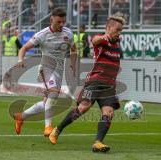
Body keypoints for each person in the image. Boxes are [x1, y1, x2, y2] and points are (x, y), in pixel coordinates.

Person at [49, 14, 125, 152]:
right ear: (108, 28)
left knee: (109, 113)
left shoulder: (117, 43)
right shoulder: (102, 39)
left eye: (121, 31)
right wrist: (105, 37)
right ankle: (57, 130)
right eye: (117, 30)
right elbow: (95, 41)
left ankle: (98, 142)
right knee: (84, 107)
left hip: (109, 84)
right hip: (95, 81)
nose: (119, 33)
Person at [14, 8, 77, 137]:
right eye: (58, 22)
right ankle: (48, 127)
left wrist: (73, 64)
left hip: (58, 70)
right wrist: (20, 60)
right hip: (46, 68)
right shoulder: (42, 35)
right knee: (53, 93)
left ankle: (21, 117)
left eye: (63, 22)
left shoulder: (68, 33)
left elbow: (74, 50)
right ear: (51, 19)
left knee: (46, 103)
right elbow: (24, 48)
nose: (61, 25)